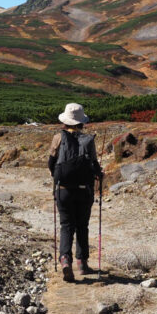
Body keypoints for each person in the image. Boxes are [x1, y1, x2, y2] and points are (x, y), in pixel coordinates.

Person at [48, 102, 104, 283]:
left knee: (66, 226)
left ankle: (65, 260)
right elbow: (94, 165)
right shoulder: (88, 141)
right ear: (81, 122)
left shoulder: (58, 138)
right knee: (82, 226)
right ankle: (82, 263)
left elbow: (51, 163)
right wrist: (99, 174)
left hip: (63, 191)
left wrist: (56, 179)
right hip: (83, 191)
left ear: (65, 121)